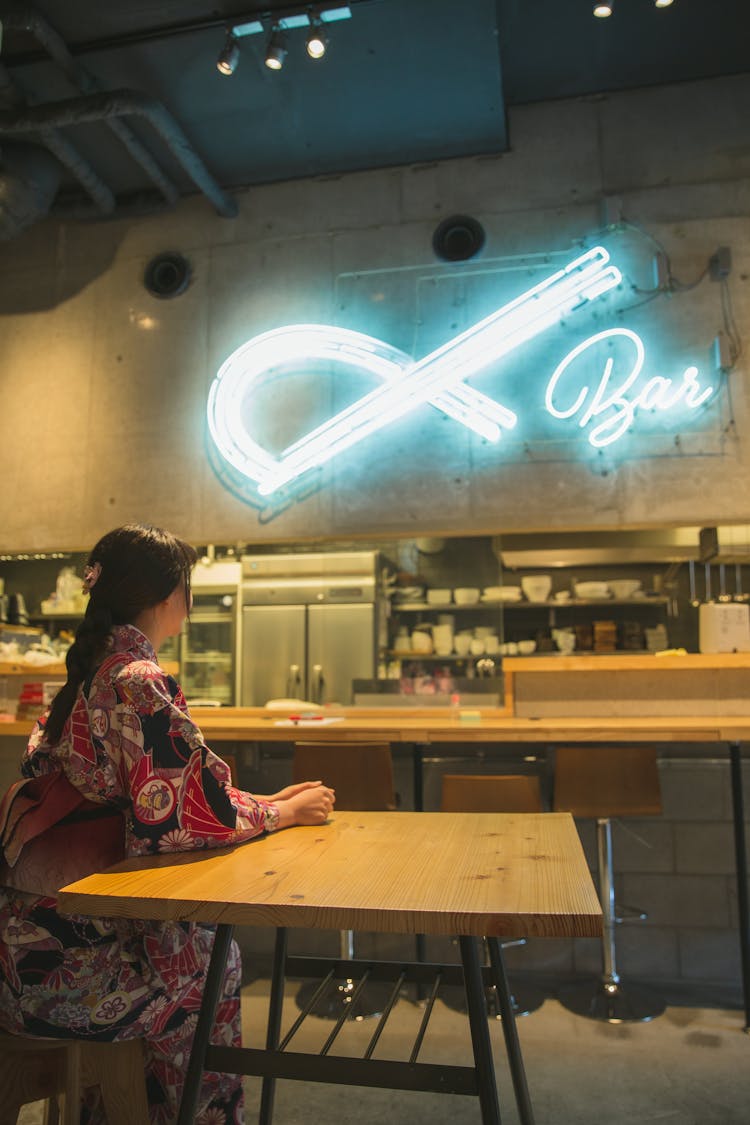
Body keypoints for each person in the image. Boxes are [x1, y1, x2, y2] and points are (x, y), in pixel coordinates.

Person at [0, 525, 335, 1125]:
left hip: (24, 951)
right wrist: (284, 813)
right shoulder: (138, 679)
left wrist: (251, 799)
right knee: (213, 965)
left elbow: (155, 798)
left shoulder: (86, 672)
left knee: (199, 949)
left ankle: (103, 1105)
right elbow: (183, 821)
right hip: (76, 972)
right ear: (169, 593)